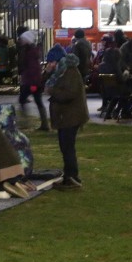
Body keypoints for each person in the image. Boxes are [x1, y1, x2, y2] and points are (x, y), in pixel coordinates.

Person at [45, 53, 88, 189]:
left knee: (67, 148)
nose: (50, 64)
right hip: (65, 117)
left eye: (51, 62)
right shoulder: (60, 72)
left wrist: (53, 91)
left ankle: (72, 177)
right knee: (65, 148)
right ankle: (69, 176)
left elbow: (70, 94)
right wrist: (47, 73)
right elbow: (44, 84)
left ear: (58, 60)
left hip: (71, 117)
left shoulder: (70, 72)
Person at [17, 30, 48, 130]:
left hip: (31, 82)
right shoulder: (31, 52)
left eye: (22, 39)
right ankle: (44, 124)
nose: (20, 41)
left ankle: (25, 122)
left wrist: (33, 84)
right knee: (37, 102)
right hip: (32, 82)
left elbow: (33, 69)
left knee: (23, 100)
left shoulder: (29, 53)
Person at [96, 35, 129, 120]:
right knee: (127, 94)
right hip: (115, 89)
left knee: (116, 95)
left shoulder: (101, 66)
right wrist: (125, 74)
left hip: (105, 91)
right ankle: (118, 111)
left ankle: (108, 114)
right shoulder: (116, 66)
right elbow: (121, 79)